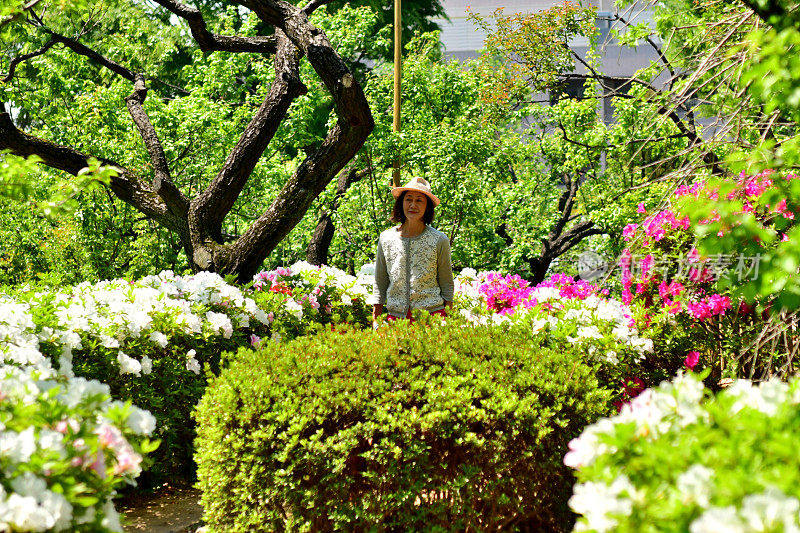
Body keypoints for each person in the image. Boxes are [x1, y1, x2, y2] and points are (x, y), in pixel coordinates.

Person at [371, 177, 454, 325]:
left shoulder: (439, 240)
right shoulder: (386, 239)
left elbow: (447, 283)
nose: (413, 205)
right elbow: (380, 282)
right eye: (408, 199)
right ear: (401, 203)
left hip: (432, 318)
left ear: (427, 206)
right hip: (396, 320)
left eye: (419, 200)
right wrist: (375, 321)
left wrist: (448, 320)